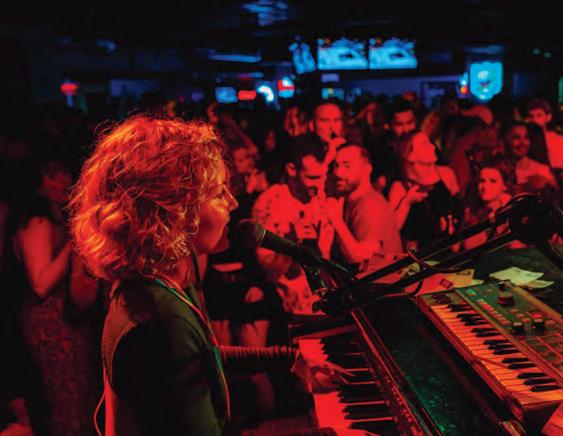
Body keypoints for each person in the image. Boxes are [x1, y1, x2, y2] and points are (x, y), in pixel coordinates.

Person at [68, 116, 339, 435]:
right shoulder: (161, 322)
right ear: (174, 210)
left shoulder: (154, 283)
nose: (233, 203)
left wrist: (290, 359)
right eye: (219, 193)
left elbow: (203, 356)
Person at [13, 159, 101, 435]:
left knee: (79, 393)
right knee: (67, 396)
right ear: (38, 184)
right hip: (49, 320)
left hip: (64, 317)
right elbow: (40, 284)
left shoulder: (57, 218)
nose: (62, 181)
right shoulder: (38, 221)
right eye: (52, 175)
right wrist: (74, 242)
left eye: (64, 173)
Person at [251, 134, 334, 315]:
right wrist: (291, 244)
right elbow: (268, 273)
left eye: (323, 176)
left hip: (328, 306)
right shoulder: (269, 204)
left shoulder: (326, 197)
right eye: (312, 178)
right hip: (290, 312)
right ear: (291, 169)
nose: (320, 185)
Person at [326, 144, 403, 265]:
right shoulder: (348, 201)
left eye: (347, 166)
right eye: (336, 166)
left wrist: (335, 220)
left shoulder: (371, 205)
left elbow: (362, 258)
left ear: (366, 169)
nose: (338, 173)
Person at [388, 131, 462, 249]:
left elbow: (459, 209)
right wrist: (406, 202)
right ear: (410, 155)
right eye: (425, 144)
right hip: (421, 254)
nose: (433, 147)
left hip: (449, 248)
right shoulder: (400, 187)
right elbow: (391, 229)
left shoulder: (446, 174)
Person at [461, 159, 514, 250]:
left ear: (505, 186)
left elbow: (516, 248)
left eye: (493, 181)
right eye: (482, 181)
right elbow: (460, 248)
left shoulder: (512, 209)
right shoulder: (471, 211)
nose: (485, 186)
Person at [526, 98, 563, 170]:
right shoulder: (524, 140)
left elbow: (562, 165)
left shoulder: (559, 140)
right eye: (531, 116)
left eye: (539, 115)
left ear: (548, 117)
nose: (534, 120)